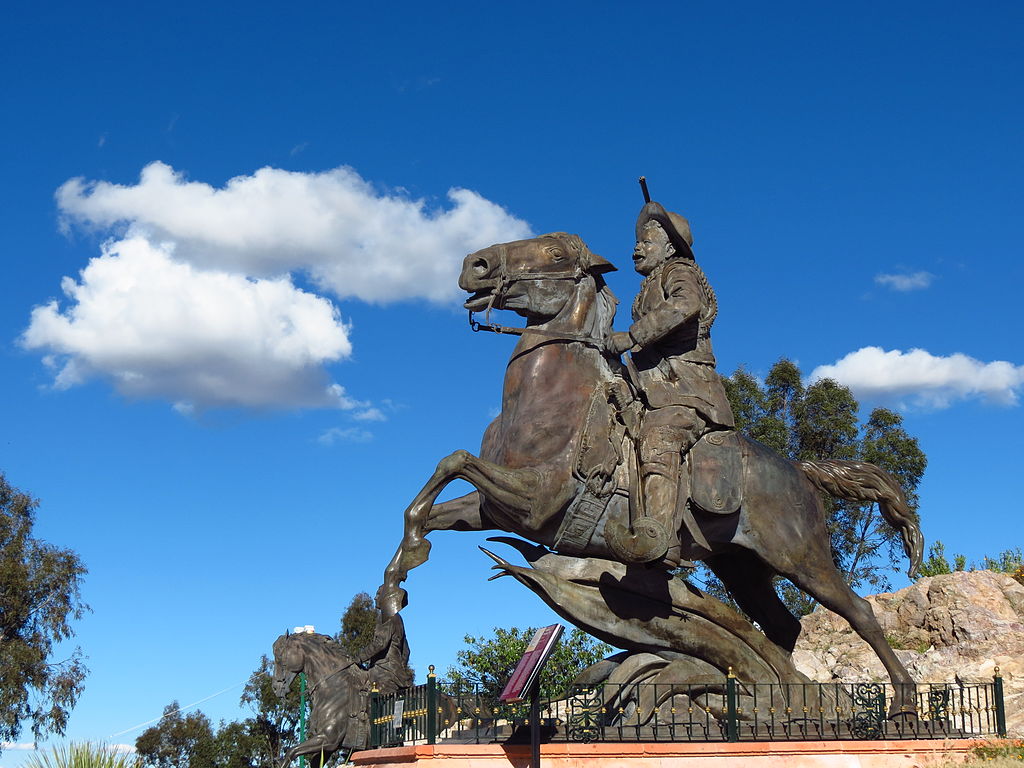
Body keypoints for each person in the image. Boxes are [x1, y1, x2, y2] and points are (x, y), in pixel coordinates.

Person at [606, 201, 734, 566]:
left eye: (646, 241)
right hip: (657, 389)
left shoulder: (679, 271)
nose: (636, 248)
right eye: (638, 242)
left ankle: (658, 539)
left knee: (658, 440)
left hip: (687, 392)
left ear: (669, 247)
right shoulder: (647, 286)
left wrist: (632, 336)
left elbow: (686, 304)